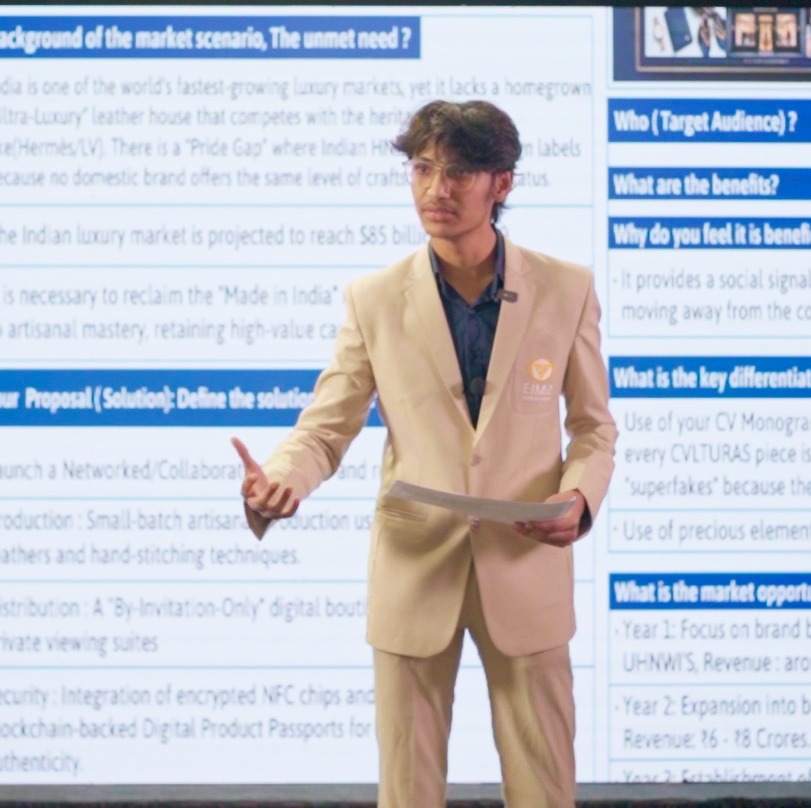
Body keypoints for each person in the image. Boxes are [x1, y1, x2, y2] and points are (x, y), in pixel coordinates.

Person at [233, 100, 615, 807]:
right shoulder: (374, 298)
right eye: (422, 169)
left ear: (502, 183)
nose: (437, 189)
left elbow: (594, 427)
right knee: (407, 792)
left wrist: (581, 496)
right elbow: (325, 427)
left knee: (545, 790)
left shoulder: (566, 287)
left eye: (459, 172)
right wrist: (282, 480)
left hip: (524, 563)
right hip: (415, 567)